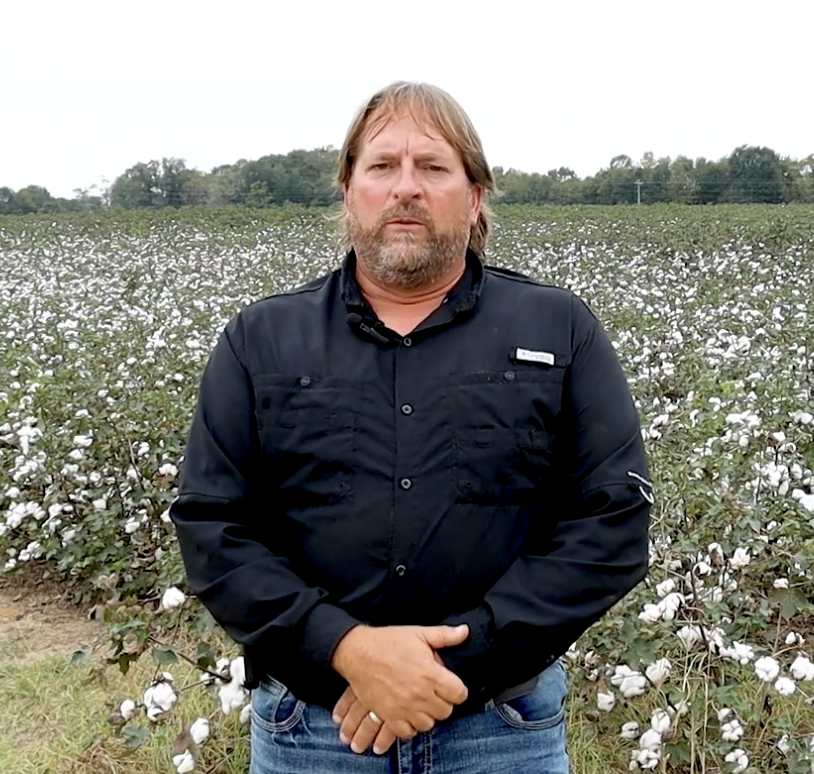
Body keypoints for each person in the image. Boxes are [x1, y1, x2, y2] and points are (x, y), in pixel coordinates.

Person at [170, 81, 652, 774]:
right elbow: (212, 524)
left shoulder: (559, 329)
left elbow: (613, 522)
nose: (407, 188)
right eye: (382, 167)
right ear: (347, 190)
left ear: (476, 193)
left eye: (433, 167)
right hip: (312, 730)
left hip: (500, 730)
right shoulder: (260, 340)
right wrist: (344, 649)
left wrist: (458, 660)